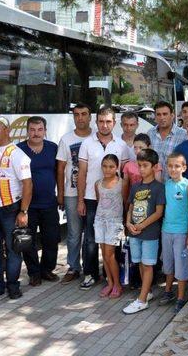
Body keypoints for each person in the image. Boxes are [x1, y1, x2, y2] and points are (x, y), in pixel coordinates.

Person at [77, 106, 130, 290]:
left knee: (112, 245)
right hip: (92, 198)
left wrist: (126, 207)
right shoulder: (87, 143)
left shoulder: (121, 146)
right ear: (96, 122)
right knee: (91, 240)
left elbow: (125, 175)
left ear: (114, 123)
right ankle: (91, 274)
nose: (104, 125)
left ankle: (113, 279)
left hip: (114, 203)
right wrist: (80, 200)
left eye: (108, 121)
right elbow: (81, 173)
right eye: (101, 121)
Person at [0, 115, 33, 303]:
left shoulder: (17, 154)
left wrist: (23, 211)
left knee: (13, 250)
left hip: (11, 209)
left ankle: (13, 286)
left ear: (7, 130)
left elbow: (28, 184)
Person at [17, 116, 60, 287]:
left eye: (40, 129)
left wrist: (61, 195)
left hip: (49, 203)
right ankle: (34, 273)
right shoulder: (18, 149)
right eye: (32, 130)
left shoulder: (52, 148)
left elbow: (59, 172)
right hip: (27, 206)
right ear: (27, 131)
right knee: (28, 241)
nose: (36, 133)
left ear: (45, 131)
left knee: (51, 239)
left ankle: (47, 270)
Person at [122, 149, 166, 314]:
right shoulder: (135, 187)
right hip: (134, 233)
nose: (141, 169)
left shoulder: (159, 188)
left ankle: (141, 300)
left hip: (149, 234)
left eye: (145, 165)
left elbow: (158, 212)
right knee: (140, 262)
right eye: (139, 165)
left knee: (148, 265)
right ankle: (146, 293)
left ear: (154, 167)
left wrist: (142, 225)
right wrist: (128, 222)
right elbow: (130, 208)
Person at [56, 103, 94, 284]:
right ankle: (73, 267)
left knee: (91, 234)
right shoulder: (66, 139)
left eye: (84, 114)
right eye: (77, 114)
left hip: (93, 193)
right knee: (73, 233)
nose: (80, 117)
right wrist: (60, 194)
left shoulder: (97, 137)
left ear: (90, 117)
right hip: (72, 193)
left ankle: (90, 268)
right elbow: (61, 168)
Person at [159, 153, 188, 313]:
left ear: (184, 168)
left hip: (182, 232)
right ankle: (168, 291)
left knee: (181, 266)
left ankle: (181, 297)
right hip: (166, 230)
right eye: (170, 166)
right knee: (168, 264)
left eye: (177, 166)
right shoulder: (166, 185)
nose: (173, 169)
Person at [94, 154, 125, 299]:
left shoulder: (122, 183)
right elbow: (99, 201)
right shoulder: (98, 183)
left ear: (117, 167)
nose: (107, 169)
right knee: (104, 254)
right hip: (100, 220)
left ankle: (118, 284)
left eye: (111, 166)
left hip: (115, 221)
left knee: (110, 254)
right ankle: (110, 282)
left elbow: (125, 202)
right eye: (105, 166)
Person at [148, 101, 188, 181]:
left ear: (172, 115)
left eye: (165, 114)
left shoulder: (183, 135)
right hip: (154, 186)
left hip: (174, 185)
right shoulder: (150, 133)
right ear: (155, 117)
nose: (162, 117)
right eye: (158, 114)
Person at [122, 133, 162, 211]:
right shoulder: (128, 165)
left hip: (150, 203)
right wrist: (126, 203)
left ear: (149, 147)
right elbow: (125, 186)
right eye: (135, 148)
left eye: (141, 148)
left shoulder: (156, 165)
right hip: (133, 203)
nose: (137, 151)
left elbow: (158, 185)